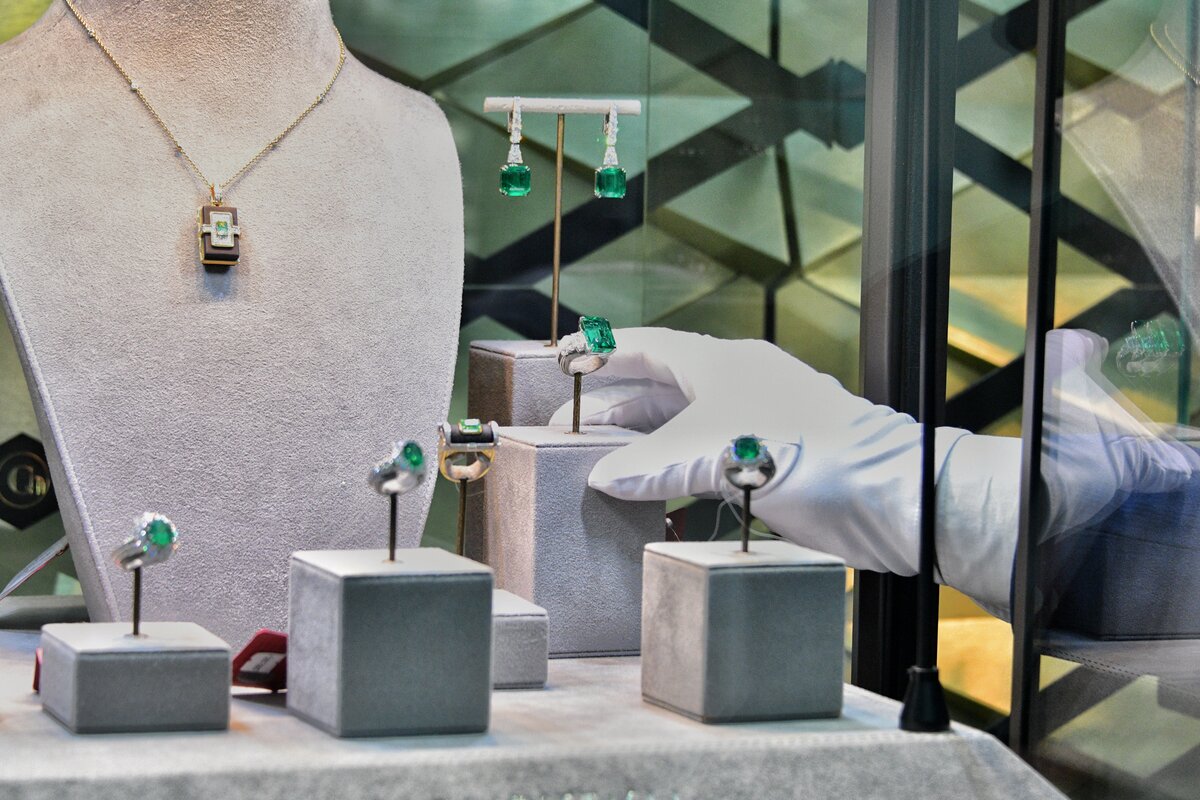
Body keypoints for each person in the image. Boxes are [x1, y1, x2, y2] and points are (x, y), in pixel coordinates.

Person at [551, 327, 1200, 619]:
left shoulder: (1114, 489)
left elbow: (611, 477)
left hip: (1071, 539)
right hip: (1058, 545)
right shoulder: (1115, 483)